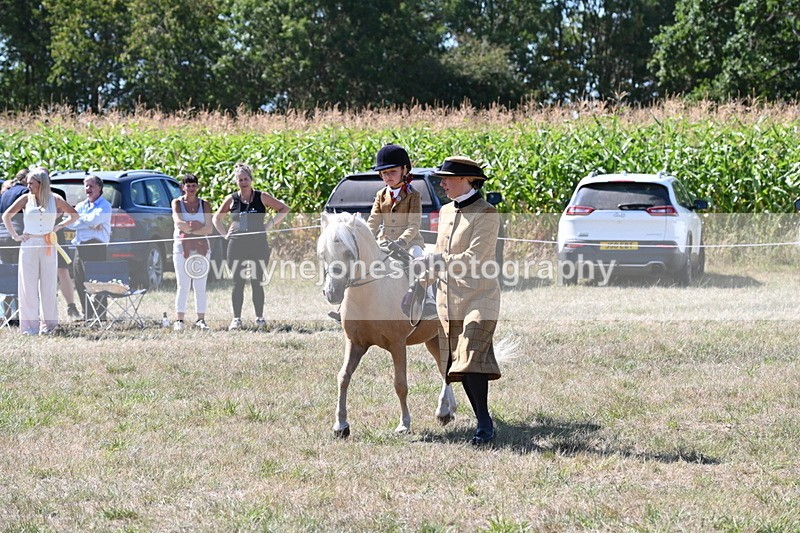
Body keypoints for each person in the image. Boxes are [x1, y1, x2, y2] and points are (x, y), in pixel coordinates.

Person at [415, 156, 502, 445]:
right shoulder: (447, 212)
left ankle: (485, 424)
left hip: (480, 298)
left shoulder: (487, 214)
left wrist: (437, 260)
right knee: (460, 366)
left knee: (471, 359)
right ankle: (483, 419)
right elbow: (438, 255)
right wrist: (421, 284)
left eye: (446, 179)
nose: (442, 184)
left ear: (466, 180)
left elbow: (475, 259)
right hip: (447, 301)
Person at [212, 162, 290, 330]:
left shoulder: (261, 196)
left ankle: (259, 318)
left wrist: (269, 225)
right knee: (237, 282)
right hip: (236, 245)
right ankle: (236, 319)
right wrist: (225, 234)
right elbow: (216, 218)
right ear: (236, 181)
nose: (243, 182)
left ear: (251, 179)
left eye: (246, 179)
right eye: (240, 180)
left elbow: (284, 208)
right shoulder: (232, 199)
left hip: (258, 245)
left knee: (257, 281)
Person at [1, 167, 78, 335]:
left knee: (49, 286)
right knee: (28, 286)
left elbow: (74, 215)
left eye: (31, 183)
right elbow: (6, 215)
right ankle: (29, 327)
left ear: (41, 183)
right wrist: (16, 236)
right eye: (27, 183)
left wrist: (59, 226)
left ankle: (48, 326)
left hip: (48, 244)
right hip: (29, 244)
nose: (28, 186)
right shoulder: (25, 199)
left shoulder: (55, 199)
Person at [366, 143, 425, 254]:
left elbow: (414, 224)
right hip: (385, 241)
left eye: (393, 171)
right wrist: (365, 236)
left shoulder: (413, 195)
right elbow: (373, 220)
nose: (388, 176)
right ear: (380, 174)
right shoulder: (380, 195)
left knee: (416, 256)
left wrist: (402, 241)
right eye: (385, 173)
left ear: (404, 170)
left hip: (410, 243)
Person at [171, 173, 213, 331]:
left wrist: (192, 228)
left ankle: (201, 319)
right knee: (183, 284)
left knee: (200, 285)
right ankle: (179, 320)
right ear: (183, 187)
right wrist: (197, 228)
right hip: (181, 247)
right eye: (188, 185)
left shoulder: (205, 205)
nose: (191, 188)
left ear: (198, 187)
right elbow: (179, 223)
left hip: (202, 248)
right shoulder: (176, 203)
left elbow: (209, 228)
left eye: (194, 185)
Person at [69, 175, 112, 320]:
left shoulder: (105, 205)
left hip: (96, 248)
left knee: (97, 283)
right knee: (80, 283)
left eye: (91, 186)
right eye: (86, 186)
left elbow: (94, 219)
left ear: (99, 188)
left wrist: (82, 219)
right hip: (80, 248)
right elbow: (69, 223)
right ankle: (87, 314)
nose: (88, 189)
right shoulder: (81, 205)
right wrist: (90, 224)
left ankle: (100, 315)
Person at [0, 169, 30, 323]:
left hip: (2, 237)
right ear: (25, 179)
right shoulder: (24, 192)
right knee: (19, 274)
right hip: (16, 235)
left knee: (5, 274)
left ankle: (7, 314)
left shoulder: (6, 192)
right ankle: (18, 314)